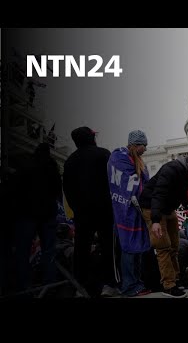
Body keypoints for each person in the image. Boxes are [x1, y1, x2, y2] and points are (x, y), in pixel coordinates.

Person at [139, 146, 188, 298]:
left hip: (168, 208)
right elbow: (158, 194)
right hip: (152, 207)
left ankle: (176, 279)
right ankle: (169, 285)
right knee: (163, 247)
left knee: (175, 245)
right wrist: (155, 220)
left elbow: (186, 198)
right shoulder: (172, 169)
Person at [63, 126, 119, 297]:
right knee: (110, 247)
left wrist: (77, 208)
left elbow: (67, 189)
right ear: (91, 137)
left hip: (82, 213)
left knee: (81, 250)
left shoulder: (70, 160)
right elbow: (114, 181)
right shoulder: (104, 154)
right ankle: (110, 284)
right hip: (104, 210)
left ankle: (81, 288)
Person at [13, 143, 62, 292]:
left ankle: (23, 286)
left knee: (23, 250)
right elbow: (57, 190)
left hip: (27, 213)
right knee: (49, 250)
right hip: (47, 214)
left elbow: (16, 188)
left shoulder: (27, 165)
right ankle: (49, 284)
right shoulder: (52, 167)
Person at [107, 130, 151, 297]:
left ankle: (137, 283)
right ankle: (129, 286)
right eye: (143, 146)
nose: (145, 149)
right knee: (128, 249)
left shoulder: (136, 160)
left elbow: (142, 182)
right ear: (135, 145)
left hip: (137, 210)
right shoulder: (119, 158)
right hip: (125, 210)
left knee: (137, 249)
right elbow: (127, 183)